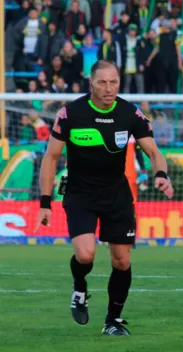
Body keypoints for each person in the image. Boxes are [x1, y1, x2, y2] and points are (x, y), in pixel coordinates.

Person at [35, 60, 174, 336]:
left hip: (116, 195)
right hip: (80, 193)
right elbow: (51, 157)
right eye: (102, 82)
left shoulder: (129, 114)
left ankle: (112, 320)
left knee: (121, 261)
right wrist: (44, 201)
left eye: (114, 82)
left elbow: (154, 151)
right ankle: (79, 287)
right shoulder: (71, 113)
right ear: (91, 84)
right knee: (85, 255)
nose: (109, 88)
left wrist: (161, 173)